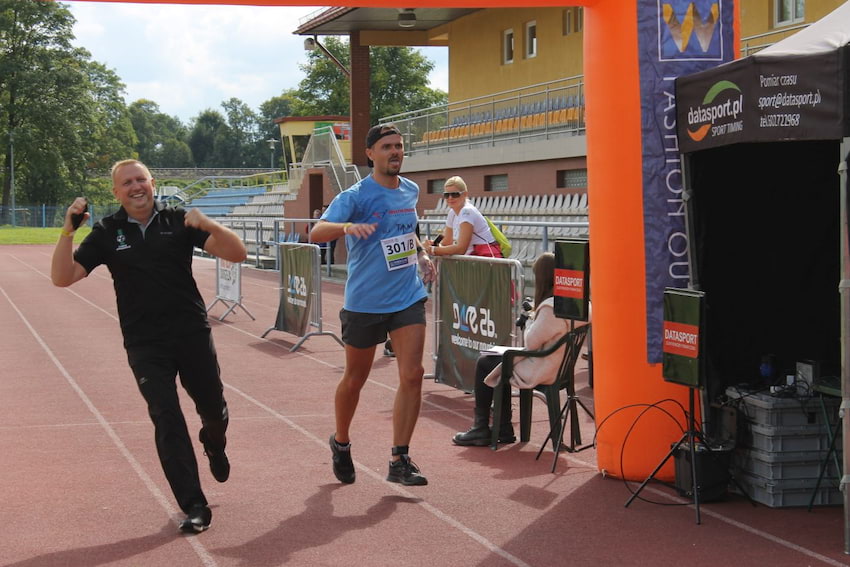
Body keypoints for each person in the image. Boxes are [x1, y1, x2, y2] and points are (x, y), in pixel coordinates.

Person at [51, 159, 247, 534]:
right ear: (116, 192)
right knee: (165, 416)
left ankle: (214, 439)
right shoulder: (108, 232)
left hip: (191, 334)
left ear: (153, 183)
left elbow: (237, 254)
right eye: (127, 183)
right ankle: (194, 504)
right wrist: (67, 233)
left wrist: (207, 224)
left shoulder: (178, 221)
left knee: (213, 408)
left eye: (141, 179)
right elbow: (63, 278)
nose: (135, 186)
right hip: (144, 343)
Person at [311, 124, 435, 486]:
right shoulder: (356, 195)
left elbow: (410, 233)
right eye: (387, 147)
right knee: (355, 379)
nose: (395, 152)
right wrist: (348, 227)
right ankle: (342, 441)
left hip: (407, 295)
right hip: (365, 301)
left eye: (399, 146)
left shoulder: (410, 190)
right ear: (370, 154)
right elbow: (316, 232)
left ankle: (399, 458)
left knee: (412, 374)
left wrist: (422, 254)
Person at [452, 252, 589, 446]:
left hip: (544, 367)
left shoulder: (550, 309)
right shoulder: (576, 303)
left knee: (486, 362)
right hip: (560, 366)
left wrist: (530, 318)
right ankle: (503, 429)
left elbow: (531, 341)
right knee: (498, 361)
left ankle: (481, 427)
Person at [424, 176, 501, 258]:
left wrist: (433, 250)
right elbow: (446, 242)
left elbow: (461, 249)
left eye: (455, 194)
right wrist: (434, 245)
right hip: (474, 259)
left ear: (465, 194)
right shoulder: (452, 213)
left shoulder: (467, 211)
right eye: (446, 195)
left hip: (486, 258)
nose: (450, 198)